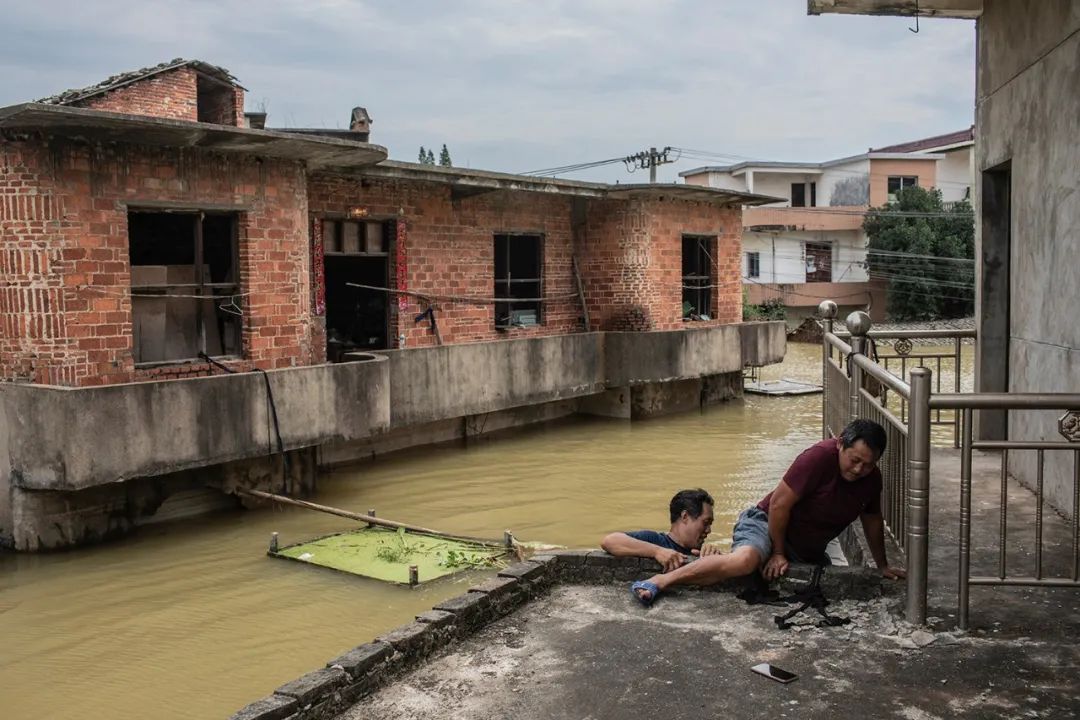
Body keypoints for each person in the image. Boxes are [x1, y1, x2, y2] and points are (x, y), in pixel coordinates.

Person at [610, 419, 906, 606]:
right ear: (840, 443)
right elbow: (778, 505)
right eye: (855, 460)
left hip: (805, 547)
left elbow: (872, 521)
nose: (859, 469)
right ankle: (660, 582)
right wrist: (777, 552)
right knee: (746, 560)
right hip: (766, 523)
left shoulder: (871, 479)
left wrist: (881, 565)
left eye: (868, 464)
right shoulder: (818, 457)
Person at [601, 489, 715, 573]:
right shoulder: (654, 540)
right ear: (685, 516)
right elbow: (610, 541)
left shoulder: (699, 553)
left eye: (710, 524)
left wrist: (717, 558)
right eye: (705, 523)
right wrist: (657, 551)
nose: (709, 530)